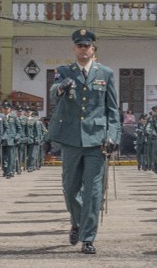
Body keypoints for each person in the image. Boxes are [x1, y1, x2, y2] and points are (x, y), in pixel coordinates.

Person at [48, 28, 121, 255]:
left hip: (97, 140)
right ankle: (77, 222)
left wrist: (113, 135)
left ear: (93, 48)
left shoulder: (106, 73)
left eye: (87, 46)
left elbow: (112, 109)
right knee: (70, 188)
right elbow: (53, 92)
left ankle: (88, 237)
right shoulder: (64, 71)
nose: (83, 49)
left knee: (93, 191)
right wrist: (60, 87)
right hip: (71, 138)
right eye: (79, 45)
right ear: (74, 48)